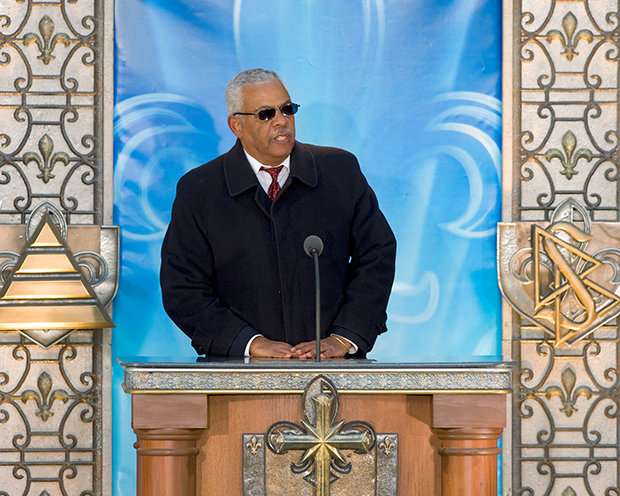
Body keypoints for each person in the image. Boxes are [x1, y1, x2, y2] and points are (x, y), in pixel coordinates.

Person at [160, 68, 396, 359]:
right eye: (265, 114)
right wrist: (248, 343)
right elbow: (183, 289)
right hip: (239, 370)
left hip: (332, 366)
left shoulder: (340, 170)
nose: (281, 120)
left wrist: (346, 336)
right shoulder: (199, 189)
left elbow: (377, 255)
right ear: (236, 125)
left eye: (287, 109)